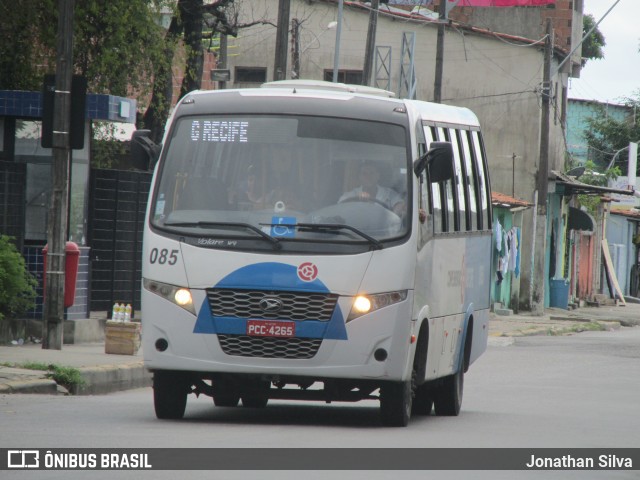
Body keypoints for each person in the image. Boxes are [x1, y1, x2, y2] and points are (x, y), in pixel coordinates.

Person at [338, 161, 405, 215]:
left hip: (384, 230)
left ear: (378, 176)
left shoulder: (388, 193)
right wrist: (356, 200)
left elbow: (400, 204)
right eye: (364, 174)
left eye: (371, 173)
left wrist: (395, 213)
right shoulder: (353, 194)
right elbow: (340, 205)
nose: (368, 177)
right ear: (359, 177)